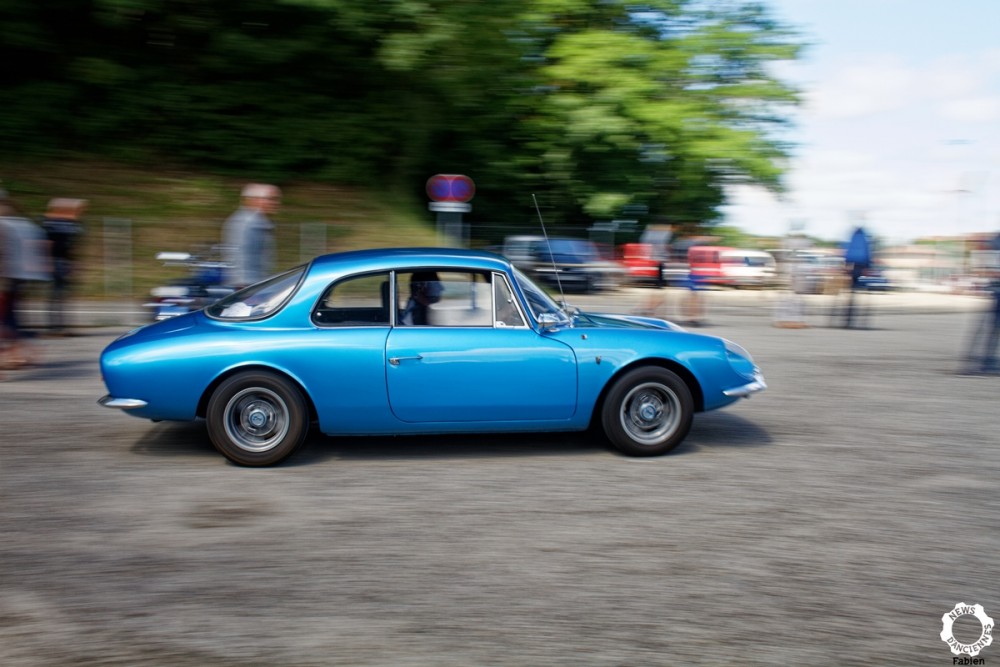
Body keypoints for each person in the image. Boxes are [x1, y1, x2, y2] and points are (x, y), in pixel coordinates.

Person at [1, 190, 51, 369]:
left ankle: (16, 355)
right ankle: (22, 353)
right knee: (11, 317)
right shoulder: (22, 224)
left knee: (7, 318)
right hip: (18, 278)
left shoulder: (4, 225)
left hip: (5, 279)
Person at [221, 183, 280, 289]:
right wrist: (244, 285)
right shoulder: (246, 222)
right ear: (255, 200)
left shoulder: (258, 220)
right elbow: (239, 253)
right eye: (270, 199)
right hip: (247, 285)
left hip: (257, 283)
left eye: (275, 199)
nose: (275, 203)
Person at [41, 198, 87, 335]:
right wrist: (48, 262)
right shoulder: (54, 222)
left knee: (61, 296)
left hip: (63, 261)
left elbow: (72, 246)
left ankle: (60, 326)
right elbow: (47, 242)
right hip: (57, 261)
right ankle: (55, 327)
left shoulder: (69, 223)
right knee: (57, 296)